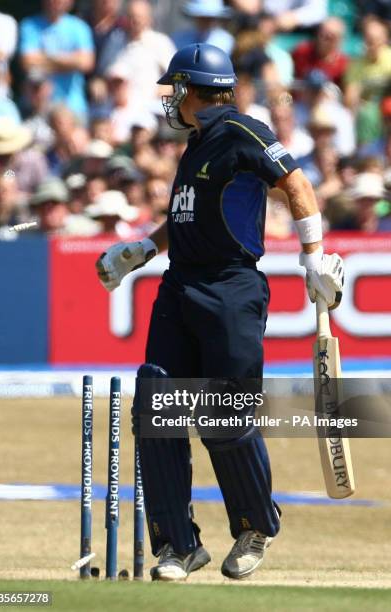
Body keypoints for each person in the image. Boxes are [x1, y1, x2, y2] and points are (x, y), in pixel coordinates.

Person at [95, 43, 344, 581]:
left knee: (223, 417)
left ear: (190, 88)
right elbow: (187, 220)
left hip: (231, 287)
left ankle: (256, 525)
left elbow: (296, 183)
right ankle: (178, 546)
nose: (170, 99)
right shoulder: (198, 142)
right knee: (156, 407)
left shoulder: (241, 130)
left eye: (174, 88)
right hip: (180, 283)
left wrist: (314, 257)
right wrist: (140, 249)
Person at [19, 0, 95, 121]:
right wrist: (70, 61)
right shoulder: (29, 25)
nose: (56, 2)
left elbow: (86, 63)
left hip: (72, 106)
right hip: (37, 106)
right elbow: (27, 62)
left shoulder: (80, 27)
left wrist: (45, 58)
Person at [292, 17, 348, 87]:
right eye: (323, 35)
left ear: (339, 40)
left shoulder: (343, 64)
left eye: (331, 38)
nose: (325, 41)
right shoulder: (302, 52)